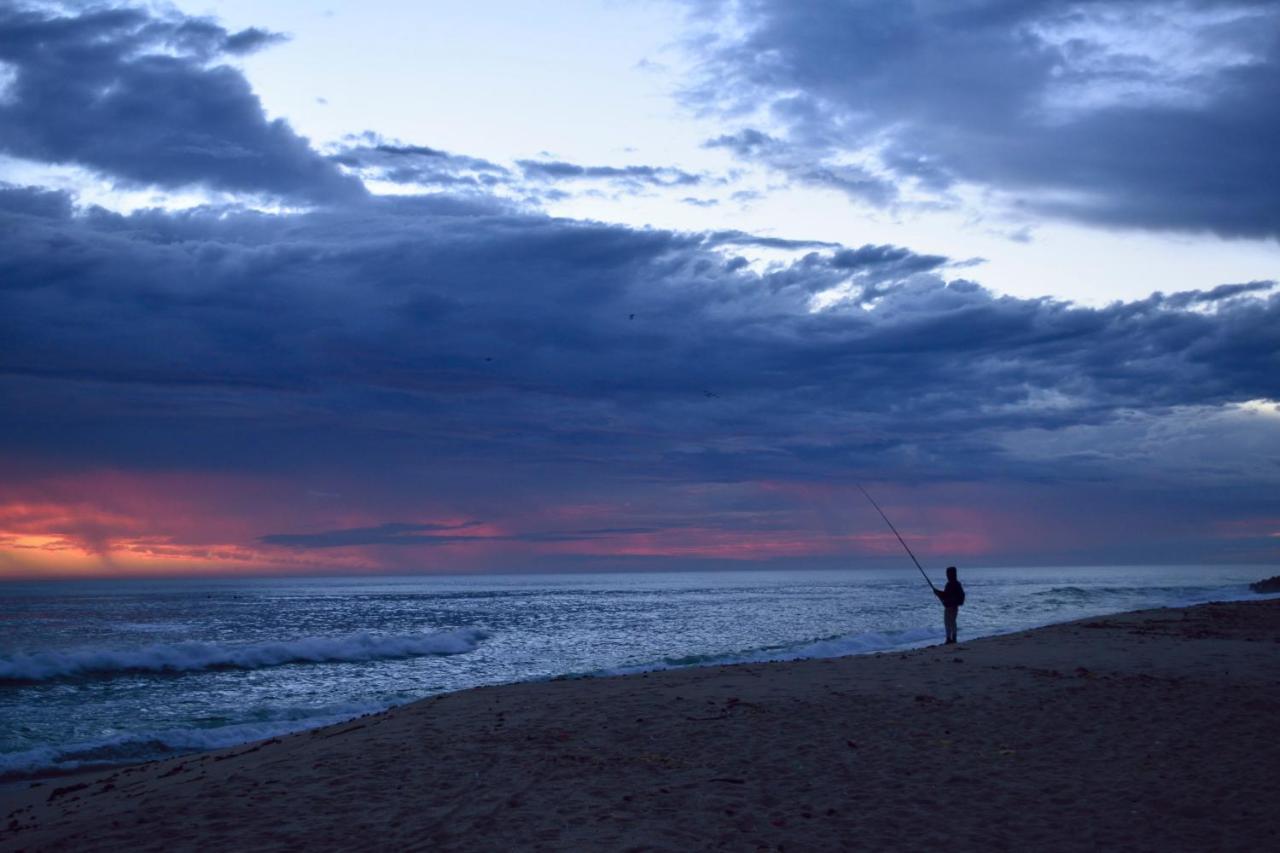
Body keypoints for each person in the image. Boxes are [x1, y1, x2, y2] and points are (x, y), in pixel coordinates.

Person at [934, 566, 965, 644]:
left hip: (950, 606)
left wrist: (938, 593)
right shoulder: (957, 584)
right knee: (952, 622)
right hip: (954, 606)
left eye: (948, 574)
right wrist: (938, 592)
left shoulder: (950, 584)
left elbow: (945, 595)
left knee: (948, 622)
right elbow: (947, 595)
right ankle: (953, 639)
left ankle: (949, 639)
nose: (947, 575)